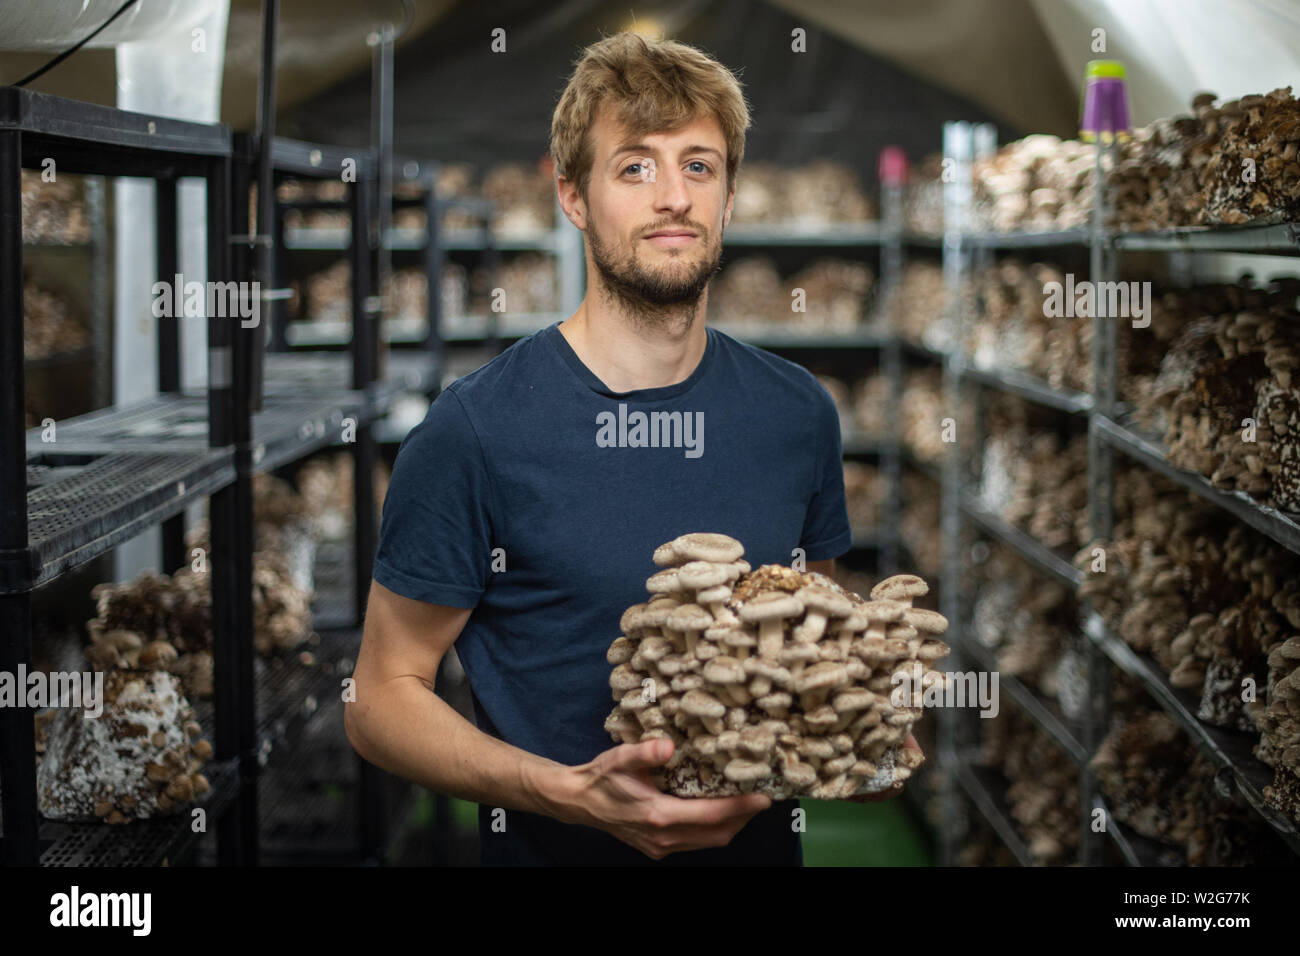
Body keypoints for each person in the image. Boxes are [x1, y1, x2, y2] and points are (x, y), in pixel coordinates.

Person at [344, 31, 911, 866]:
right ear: (573, 197)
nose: (673, 196)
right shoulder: (475, 431)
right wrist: (565, 796)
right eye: (635, 166)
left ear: (729, 197)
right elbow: (379, 697)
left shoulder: (798, 414)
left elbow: (806, 647)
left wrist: (866, 735)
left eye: (699, 166)